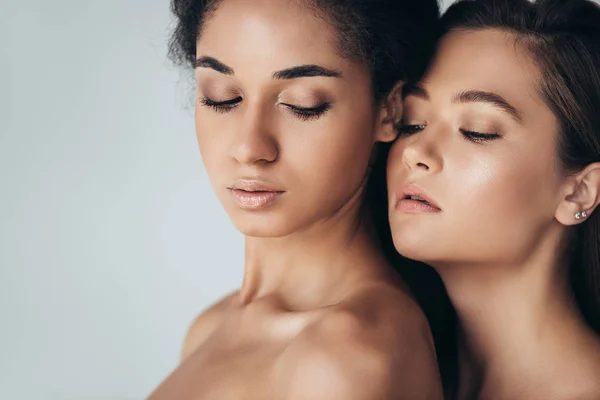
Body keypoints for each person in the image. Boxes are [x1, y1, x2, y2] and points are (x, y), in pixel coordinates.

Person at [147, 0, 443, 398]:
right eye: (221, 97)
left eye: (302, 104)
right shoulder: (209, 328)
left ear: (388, 109)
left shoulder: (348, 354)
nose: (250, 147)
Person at [387, 0, 600, 398]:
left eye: (478, 131)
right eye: (412, 123)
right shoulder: (398, 374)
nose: (415, 152)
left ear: (579, 191)